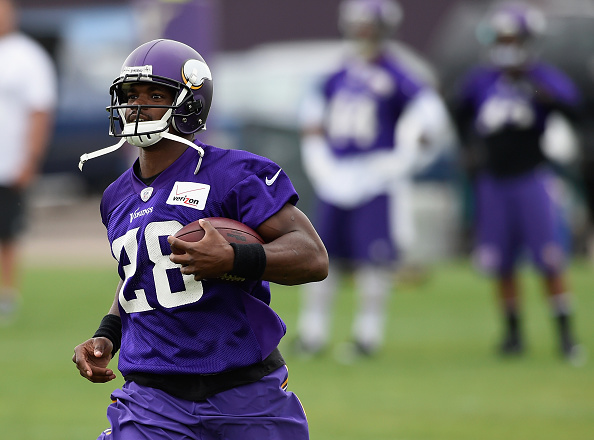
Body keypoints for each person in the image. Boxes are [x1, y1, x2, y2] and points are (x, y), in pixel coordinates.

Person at [72, 39, 328, 439]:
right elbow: (141, 275)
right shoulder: (115, 196)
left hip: (244, 389)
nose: (137, 107)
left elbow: (313, 257)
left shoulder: (232, 174)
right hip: (153, 399)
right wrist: (108, 332)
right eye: (129, 95)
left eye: (155, 95)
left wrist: (233, 258)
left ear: (190, 104)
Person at [295, 0, 454, 358]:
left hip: (375, 173)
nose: (363, 32)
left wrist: (408, 153)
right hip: (337, 174)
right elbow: (311, 113)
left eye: (369, 26)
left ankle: (367, 335)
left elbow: (430, 115)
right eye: (359, 25)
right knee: (324, 256)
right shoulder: (338, 74)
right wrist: (318, 153)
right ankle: (313, 332)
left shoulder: (397, 75)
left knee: (373, 260)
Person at [451, 2, 583, 362]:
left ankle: (566, 334)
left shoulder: (541, 78)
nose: (508, 44)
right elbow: (458, 111)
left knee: (549, 258)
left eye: (514, 37)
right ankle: (512, 334)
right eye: (503, 37)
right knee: (501, 262)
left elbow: (573, 109)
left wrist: (535, 88)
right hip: (494, 182)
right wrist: (470, 151)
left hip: (531, 177)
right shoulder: (482, 80)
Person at [0, 0, 57, 322]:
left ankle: (7, 295)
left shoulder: (27, 56)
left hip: (8, 164)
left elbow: (40, 110)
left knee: (6, 231)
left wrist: (31, 158)